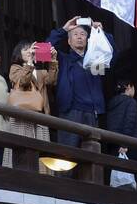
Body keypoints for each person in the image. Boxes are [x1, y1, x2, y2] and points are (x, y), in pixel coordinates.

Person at [46, 17, 115, 161]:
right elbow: (41, 51)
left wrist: (102, 33)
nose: (79, 37)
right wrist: (63, 30)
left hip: (92, 112)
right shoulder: (62, 59)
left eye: (83, 34)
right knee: (66, 157)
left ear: (88, 40)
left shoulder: (95, 62)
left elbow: (112, 55)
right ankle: (64, 184)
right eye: (75, 34)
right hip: (70, 111)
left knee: (92, 159)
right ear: (69, 41)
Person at [6, 40, 58, 171]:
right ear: (19, 54)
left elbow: (52, 80)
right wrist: (29, 63)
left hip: (40, 116)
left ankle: (41, 179)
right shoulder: (15, 68)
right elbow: (23, 81)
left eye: (32, 49)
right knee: (22, 150)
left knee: (42, 152)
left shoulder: (40, 72)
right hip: (22, 116)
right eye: (26, 50)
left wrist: (53, 61)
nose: (30, 51)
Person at [105, 80, 137, 186]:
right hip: (128, 146)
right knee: (131, 179)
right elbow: (129, 122)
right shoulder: (131, 102)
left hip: (113, 144)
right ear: (128, 87)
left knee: (116, 179)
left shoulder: (111, 103)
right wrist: (124, 144)